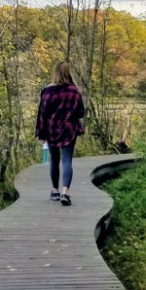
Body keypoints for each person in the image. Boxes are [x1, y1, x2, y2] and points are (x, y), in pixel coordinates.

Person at [35, 62, 85, 206]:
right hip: (69, 129)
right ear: (68, 72)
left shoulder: (47, 91)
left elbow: (42, 114)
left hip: (52, 130)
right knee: (67, 160)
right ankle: (65, 192)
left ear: (55, 73)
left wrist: (40, 132)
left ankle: (55, 190)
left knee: (54, 160)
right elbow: (80, 112)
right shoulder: (74, 91)